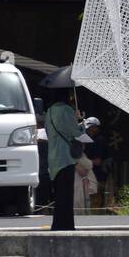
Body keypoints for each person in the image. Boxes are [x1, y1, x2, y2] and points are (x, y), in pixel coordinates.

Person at [42, 89, 84, 231]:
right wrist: (81, 122)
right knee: (67, 195)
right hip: (66, 158)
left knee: (59, 195)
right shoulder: (67, 110)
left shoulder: (49, 112)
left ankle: (57, 225)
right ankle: (67, 225)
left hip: (53, 158)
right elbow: (75, 132)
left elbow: (48, 132)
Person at [82, 117, 112, 208]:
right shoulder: (90, 140)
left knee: (96, 199)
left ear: (96, 127)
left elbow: (98, 161)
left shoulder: (99, 140)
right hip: (92, 175)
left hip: (99, 175)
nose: (88, 130)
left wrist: (82, 162)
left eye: (90, 128)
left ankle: (97, 218)